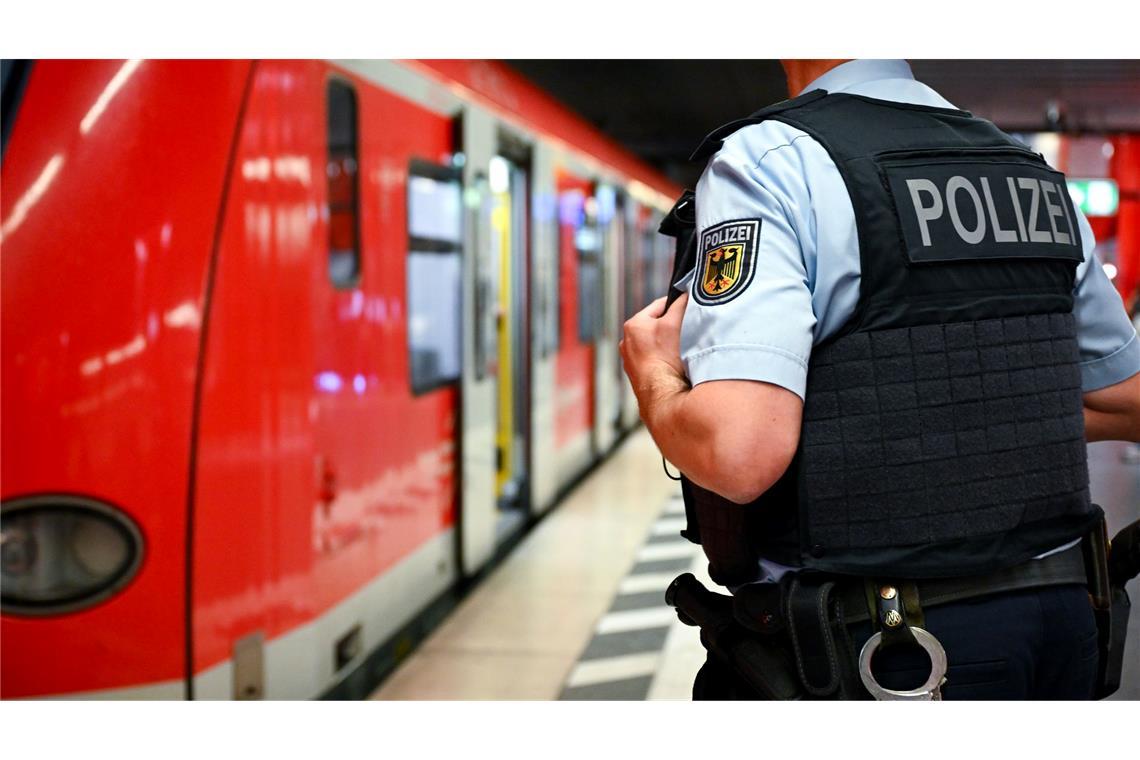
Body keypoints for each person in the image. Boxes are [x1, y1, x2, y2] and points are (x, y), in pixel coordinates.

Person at [620, 59, 1140, 700]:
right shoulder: (1029, 172)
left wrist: (653, 376)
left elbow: (739, 450)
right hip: (1064, 628)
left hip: (888, 652)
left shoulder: (772, 160)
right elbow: (1125, 401)